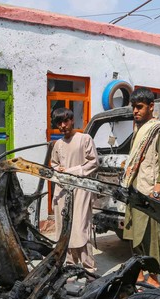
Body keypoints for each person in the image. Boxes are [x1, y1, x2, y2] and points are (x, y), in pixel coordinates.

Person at [121, 88, 160, 288]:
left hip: (150, 193)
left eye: (140, 107)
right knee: (135, 235)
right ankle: (138, 271)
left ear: (151, 107)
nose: (135, 111)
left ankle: (153, 277)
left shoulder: (158, 131)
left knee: (151, 238)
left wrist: (157, 190)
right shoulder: (139, 130)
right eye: (134, 107)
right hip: (136, 191)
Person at [50, 107, 99, 275]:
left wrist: (73, 170)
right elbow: (54, 164)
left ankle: (89, 270)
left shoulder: (84, 139)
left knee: (81, 229)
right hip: (63, 190)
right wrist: (59, 170)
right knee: (65, 230)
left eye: (66, 121)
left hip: (81, 190)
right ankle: (71, 267)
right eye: (59, 123)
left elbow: (93, 163)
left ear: (72, 120)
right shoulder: (58, 144)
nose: (63, 125)